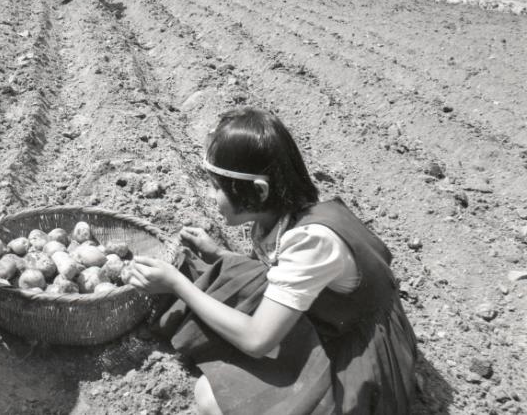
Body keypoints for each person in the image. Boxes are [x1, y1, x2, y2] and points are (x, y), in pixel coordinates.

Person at [128, 107, 417, 415]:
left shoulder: (311, 242)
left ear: (258, 190)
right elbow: (279, 272)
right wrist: (218, 254)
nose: (212, 197)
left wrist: (178, 284)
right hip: (330, 316)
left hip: (356, 355)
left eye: (217, 188)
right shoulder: (282, 215)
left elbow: (257, 340)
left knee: (211, 396)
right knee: (229, 278)